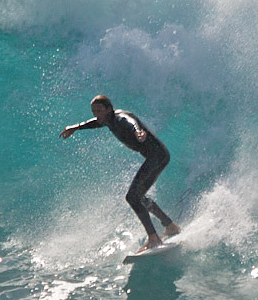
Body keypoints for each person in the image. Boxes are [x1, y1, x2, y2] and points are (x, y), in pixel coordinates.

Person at [60, 95, 182, 252]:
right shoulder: (107, 120)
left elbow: (132, 123)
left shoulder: (121, 118)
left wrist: (139, 132)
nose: (96, 115)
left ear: (109, 109)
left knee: (132, 197)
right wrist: (76, 127)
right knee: (139, 197)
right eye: (94, 111)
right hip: (158, 157)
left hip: (157, 157)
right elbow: (95, 123)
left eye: (99, 110)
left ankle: (153, 238)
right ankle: (170, 226)